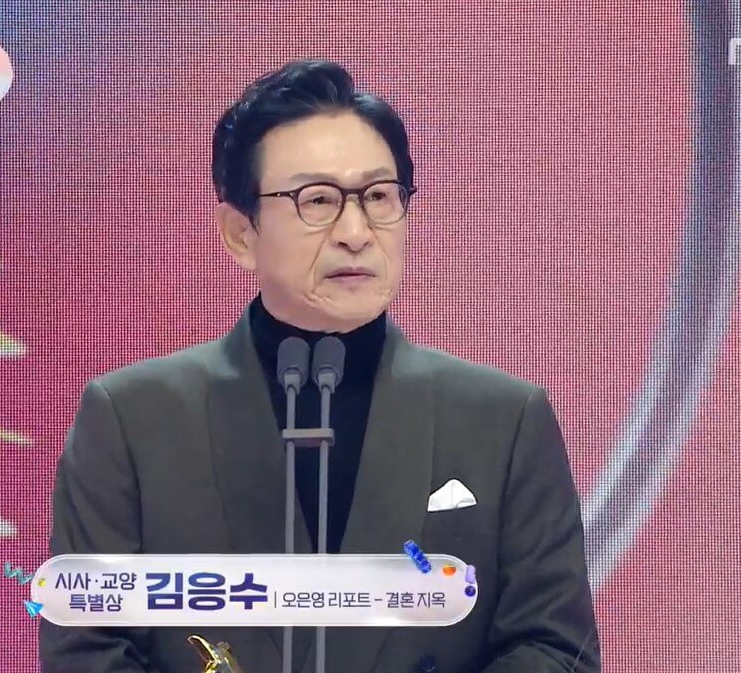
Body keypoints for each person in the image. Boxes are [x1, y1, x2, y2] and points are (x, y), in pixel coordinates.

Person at [40, 58, 600, 673]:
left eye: (379, 196)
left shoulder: (504, 419)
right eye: (318, 200)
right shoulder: (131, 418)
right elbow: (87, 650)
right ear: (240, 233)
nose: (356, 231)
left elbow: (555, 650)